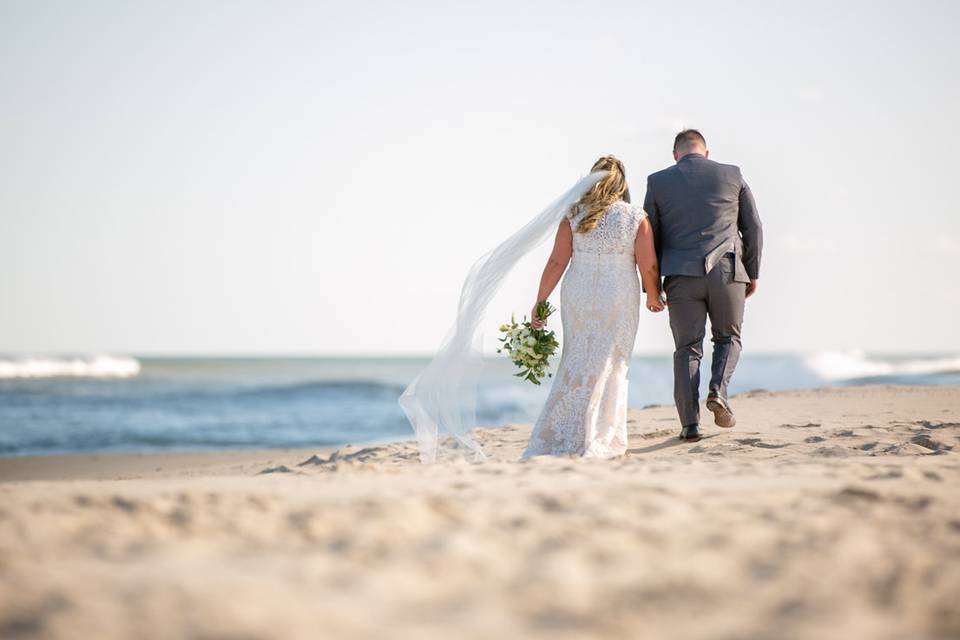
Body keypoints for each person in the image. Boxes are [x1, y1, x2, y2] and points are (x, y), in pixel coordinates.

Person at [522, 156, 663, 459]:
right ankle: (601, 434)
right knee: (612, 360)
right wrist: (654, 295)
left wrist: (541, 301)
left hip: (579, 292)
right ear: (621, 183)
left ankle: (566, 432)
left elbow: (557, 261)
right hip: (618, 292)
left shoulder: (574, 214)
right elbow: (648, 264)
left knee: (578, 358)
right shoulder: (634, 216)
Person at [643, 130, 763, 442]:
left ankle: (689, 426)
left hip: (681, 276)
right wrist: (752, 272)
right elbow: (753, 227)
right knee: (728, 338)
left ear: (675, 155)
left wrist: (652, 287)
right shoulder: (732, 174)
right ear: (706, 153)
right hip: (727, 272)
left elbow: (649, 237)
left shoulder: (658, 181)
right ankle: (718, 391)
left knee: (687, 349)